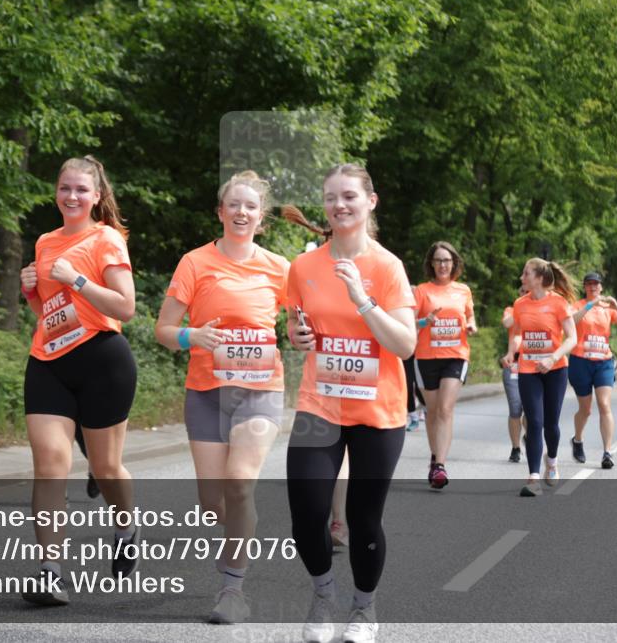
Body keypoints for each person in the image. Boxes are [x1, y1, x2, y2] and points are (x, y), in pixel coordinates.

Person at [283, 163, 417, 643]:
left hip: (377, 412)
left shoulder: (387, 267)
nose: (339, 206)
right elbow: (299, 326)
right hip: (320, 403)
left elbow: (404, 345)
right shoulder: (304, 267)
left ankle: (364, 609)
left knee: (363, 518)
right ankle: (323, 598)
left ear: (370, 203)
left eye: (349, 197)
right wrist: (297, 335)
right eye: (331, 198)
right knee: (305, 510)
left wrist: (362, 298)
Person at [155, 170, 289, 624]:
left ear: (261, 217)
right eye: (234, 204)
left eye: (250, 206)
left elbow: (308, 320)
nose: (241, 212)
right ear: (220, 211)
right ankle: (242, 525)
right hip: (206, 392)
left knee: (239, 483)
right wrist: (194, 336)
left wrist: (306, 335)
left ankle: (233, 589)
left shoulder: (279, 268)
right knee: (214, 503)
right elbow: (164, 331)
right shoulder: (195, 263)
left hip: (260, 390)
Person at [18, 156, 137, 606]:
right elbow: (51, 315)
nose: (72, 196)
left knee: (106, 469)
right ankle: (51, 570)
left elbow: (125, 307)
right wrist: (32, 293)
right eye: (65, 188)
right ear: (56, 192)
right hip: (49, 359)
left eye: (81, 190)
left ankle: (126, 525)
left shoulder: (105, 238)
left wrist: (79, 279)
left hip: (103, 361)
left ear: (97, 197)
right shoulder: (45, 241)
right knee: (50, 463)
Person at [501, 258, 578, 497]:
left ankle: (552, 461)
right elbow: (516, 335)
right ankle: (533, 477)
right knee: (534, 422)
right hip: (528, 369)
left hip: (555, 369)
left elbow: (572, 338)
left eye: (526, 273)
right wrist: (512, 352)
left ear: (539, 278)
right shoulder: (520, 304)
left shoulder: (558, 303)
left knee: (551, 424)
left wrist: (552, 358)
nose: (522, 277)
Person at [412, 242, 476, 489]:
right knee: (433, 410)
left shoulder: (463, 290)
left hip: (456, 355)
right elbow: (409, 322)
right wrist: (424, 321)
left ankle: (440, 465)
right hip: (427, 356)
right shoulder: (421, 291)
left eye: (447, 260)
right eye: (438, 260)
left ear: (454, 263)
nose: (442, 265)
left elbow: (469, 315)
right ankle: (435, 455)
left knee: (446, 409)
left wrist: (471, 325)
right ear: (431, 264)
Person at [567, 272, 617, 471]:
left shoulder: (608, 308)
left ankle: (607, 452)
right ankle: (578, 440)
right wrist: (590, 305)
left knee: (604, 404)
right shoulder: (578, 305)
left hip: (603, 361)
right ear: (585, 287)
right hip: (580, 361)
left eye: (596, 284)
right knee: (586, 410)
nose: (592, 287)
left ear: (601, 287)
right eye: (589, 284)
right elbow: (571, 321)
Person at [501, 286, 529, 462]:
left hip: (534, 364)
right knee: (515, 408)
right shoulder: (512, 310)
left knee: (532, 410)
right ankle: (516, 448)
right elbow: (507, 323)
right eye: (523, 293)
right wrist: (522, 308)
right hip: (514, 363)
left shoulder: (541, 310)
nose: (526, 295)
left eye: (529, 293)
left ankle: (529, 433)